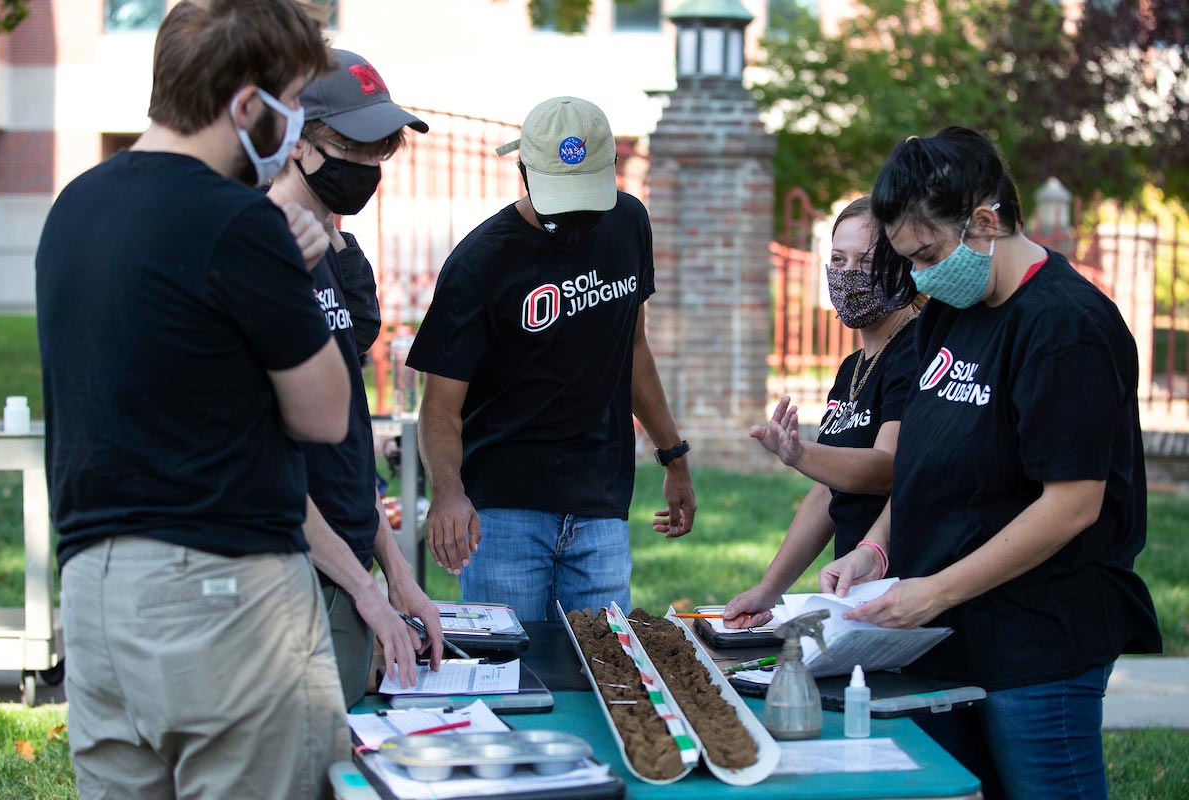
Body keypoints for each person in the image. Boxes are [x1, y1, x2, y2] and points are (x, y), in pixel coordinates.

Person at [35, 2, 351, 797]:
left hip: (96, 595)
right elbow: (327, 414)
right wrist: (299, 272)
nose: (297, 133)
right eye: (296, 105)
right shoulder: (241, 223)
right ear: (249, 105)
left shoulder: (73, 206)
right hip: (225, 596)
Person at [823, 127, 1162, 799]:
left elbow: (1072, 504)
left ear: (986, 220)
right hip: (944, 637)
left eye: (925, 254)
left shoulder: (1066, 327)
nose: (919, 277)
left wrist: (937, 590)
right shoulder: (953, 311)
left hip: (1036, 642)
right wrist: (875, 550)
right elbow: (922, 459)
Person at [408, 96, 697, 621]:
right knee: (514, 676)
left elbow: (633, 349)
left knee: (610, 676)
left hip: (601, 503)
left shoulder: (628, 223)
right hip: (503, 512)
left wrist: (673, 457)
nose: (577, 218)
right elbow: (439, 407)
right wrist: (448, 494)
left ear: (611, 169)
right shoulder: (480, 263)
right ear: (524, 172)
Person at [266, 48, 442, 708]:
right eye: (354, 146)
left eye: (381, 149)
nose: (370, 169)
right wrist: (366, 588)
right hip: (297, 567)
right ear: (300, 144)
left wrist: (395, 569)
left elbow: (345, 441)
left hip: (350, 563)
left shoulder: (339, 257)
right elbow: (269, 457)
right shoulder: (264, 252)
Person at [722, 196, 919, 627]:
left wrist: (800, 454)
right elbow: (828, 491)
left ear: (903, 265)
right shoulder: (853, 367)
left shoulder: (914, 350)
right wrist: (768, 589)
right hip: (856, 587)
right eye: (837, 259)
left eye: (866, 262)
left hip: (903, 584)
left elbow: (888, 468)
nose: (847, 275)